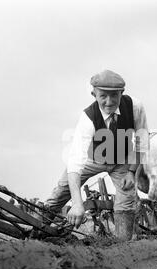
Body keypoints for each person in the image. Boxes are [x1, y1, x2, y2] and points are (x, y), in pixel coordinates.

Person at [44, 70, 149, 240]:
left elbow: (142, 141)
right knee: (60, 193)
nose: (109, 102)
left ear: (122, 93)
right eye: (103, 96)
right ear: (94, 94)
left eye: (114, 95)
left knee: (126, 200)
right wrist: (77, 204)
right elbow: (75, 163)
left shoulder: (135, 106)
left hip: (121, 161)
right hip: (91, 159)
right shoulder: (88, 118)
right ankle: (35, 234)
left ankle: (122, 248)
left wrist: (131, 171)